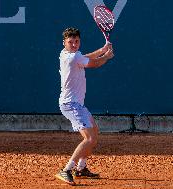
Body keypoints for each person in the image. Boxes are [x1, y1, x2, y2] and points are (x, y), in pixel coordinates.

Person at [55, 27, 114, 185]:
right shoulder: (73, 58)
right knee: (89, 138)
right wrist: (106, 56)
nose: (74, 44)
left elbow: (84, 57)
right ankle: (66, 169)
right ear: (64, 42)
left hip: (77, 104)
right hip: (71, 104)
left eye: (76, 41)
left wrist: (102, 49)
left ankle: (81, 168)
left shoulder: (67, 54)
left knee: (94, 132)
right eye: (70, 42)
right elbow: (94, 64)